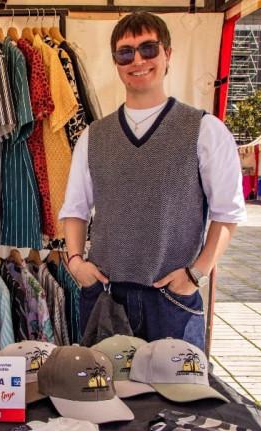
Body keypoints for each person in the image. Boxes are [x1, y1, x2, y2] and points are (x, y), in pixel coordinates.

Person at [59, 13, 246, 350]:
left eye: (148, 49)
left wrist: (196, 274)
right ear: (116, 62)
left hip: (171, 299)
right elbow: (75, 208)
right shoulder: (93, 136)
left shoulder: (205, 130)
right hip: (106, 296)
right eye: (125, 53)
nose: (138, 60)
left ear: (167, 54)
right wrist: (75, 262)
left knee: (176, 384)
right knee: (102, 382)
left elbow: (227, 213)